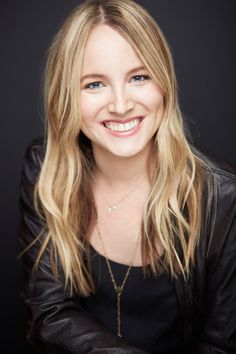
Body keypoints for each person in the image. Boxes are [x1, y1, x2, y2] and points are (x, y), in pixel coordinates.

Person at [18, 0, 236, 353]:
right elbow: (48, 312)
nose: (120, 104)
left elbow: (220, 345)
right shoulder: (45, 169)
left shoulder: (225, 197)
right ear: (66, 95)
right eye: (93, 84)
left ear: (164, 83)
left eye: (139, 77)